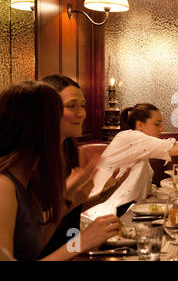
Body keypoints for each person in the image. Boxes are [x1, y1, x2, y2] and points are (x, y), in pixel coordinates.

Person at [0, 81, 120, 261]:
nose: (79, 115)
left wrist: (70, 200)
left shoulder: (27, 178)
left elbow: (34, 248)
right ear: (36, 126)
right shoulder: (4, 186)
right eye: (57, 116)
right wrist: (82, 241)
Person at [83, 102, 178, 220]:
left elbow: (140, 188)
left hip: (124, 212)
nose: (161, 129)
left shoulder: (141, 148)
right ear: (140, 125)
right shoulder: (128, 137)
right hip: (103, 213)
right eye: (157, 124)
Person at [40, 75, 130, 257]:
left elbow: (64, 212)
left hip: (69, 250)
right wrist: (83, 241)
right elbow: (34, 231)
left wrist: (100, 197)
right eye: (71, 105)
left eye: (82, 105)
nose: (81, 113)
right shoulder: (32, 163)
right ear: (48, 110)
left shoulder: (67, 150)